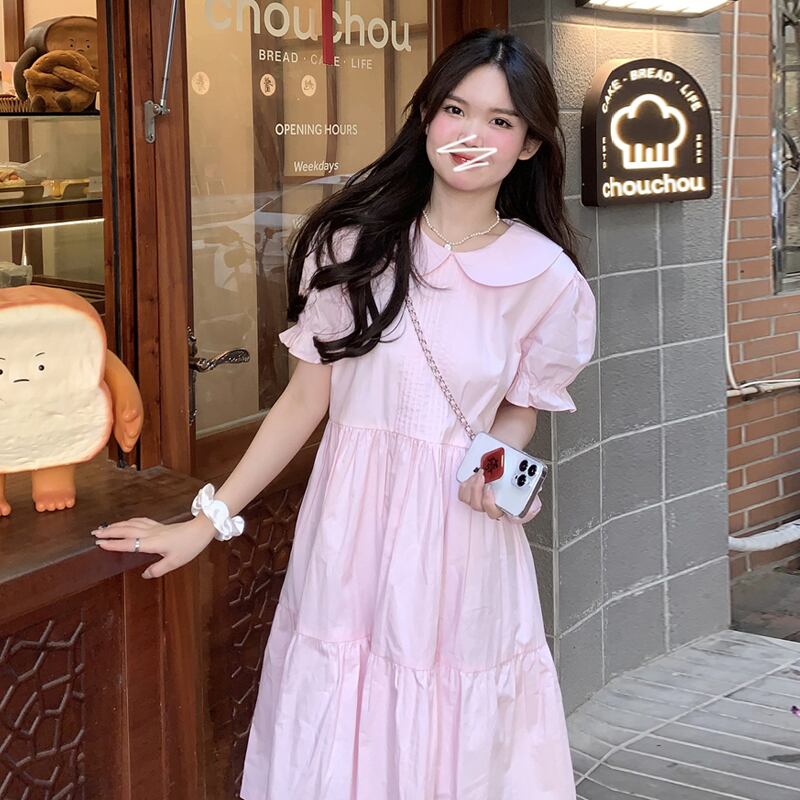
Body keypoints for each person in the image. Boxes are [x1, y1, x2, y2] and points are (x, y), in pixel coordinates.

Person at [94, 27, 597, 800]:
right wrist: (207, 520)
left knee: (451, 726)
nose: (471, 135)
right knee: (341, 711)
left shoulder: (546, 278)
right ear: (425, 116)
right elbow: (306, 400)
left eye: (500, 121)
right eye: (456, 109)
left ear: (529, 145)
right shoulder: (354, 244)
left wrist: (495, 471)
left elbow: (519, 412)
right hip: (349, 528)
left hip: (459, 540)